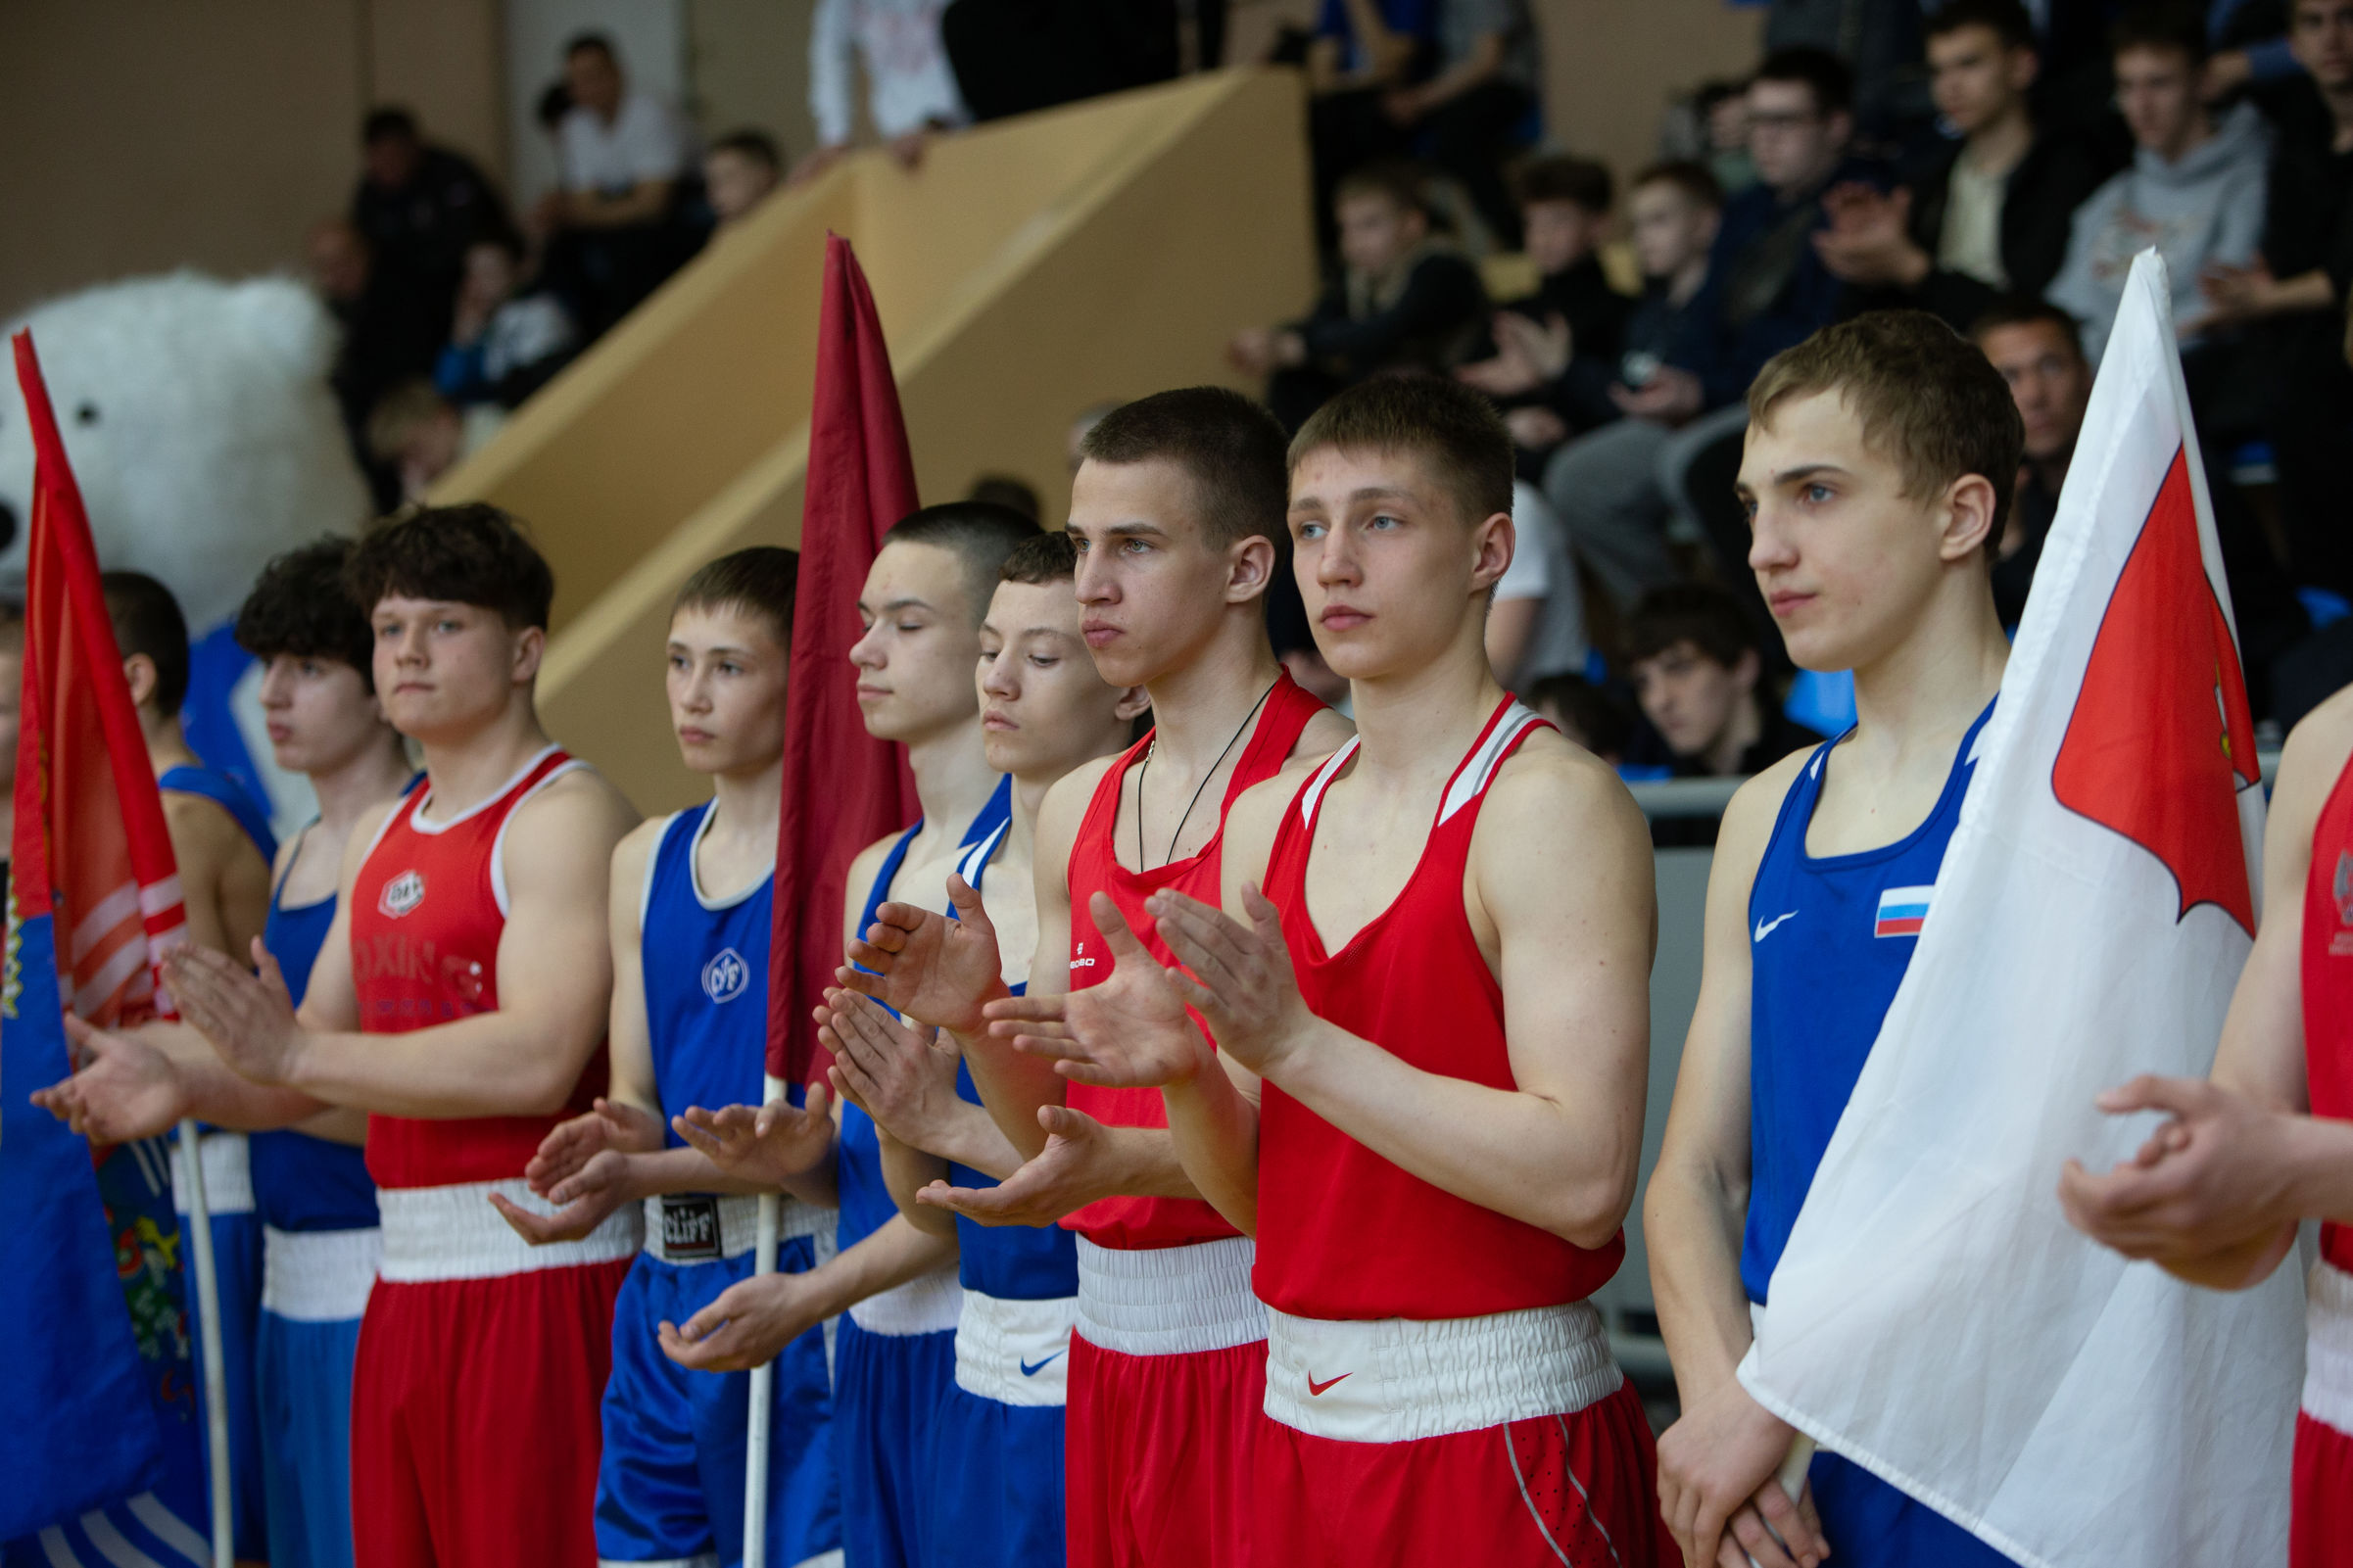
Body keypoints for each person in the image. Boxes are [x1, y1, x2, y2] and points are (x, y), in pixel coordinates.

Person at [979, 373, 1669, 1563]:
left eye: (1380, 521)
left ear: (1487, 550)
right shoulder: (1271, 818)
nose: (1334, 563)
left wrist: (1297, 1045)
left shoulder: (1549, 804)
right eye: (1309, 526)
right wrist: (1190, 1075)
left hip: (1494, 1416)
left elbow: (1582, 1176)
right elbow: (1265, 1200)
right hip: (1296, 1414)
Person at [841, 387, 1352, 1567]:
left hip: (1262, 1331)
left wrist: (1103, 1150)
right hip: (1103, 1342)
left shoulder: (1322, 772)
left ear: (1245, 568)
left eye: (1134, 546)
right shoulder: (1079, 803)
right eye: (1081, 547)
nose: (1092, 586)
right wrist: (979, 1020)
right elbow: (1052, 1136)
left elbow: (1307, 1143)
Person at [79, 506, 644, 1568]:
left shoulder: (564, 813)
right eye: (389, 629)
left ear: (525, 651)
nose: (408, 652)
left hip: (539, 1268)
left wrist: (286, 1057)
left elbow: (536, 1057)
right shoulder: (385, 829)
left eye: (444, 625)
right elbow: (303, 1065)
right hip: (405, 1278)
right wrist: (180, 1081)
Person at [1646, 310, 2024, 1568]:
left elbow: (2043, 1170)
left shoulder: (2071, 784)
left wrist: (1770, 1399)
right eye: (1752, 504)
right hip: (1792, 1454)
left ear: (1958, 515)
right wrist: (1724, 1411)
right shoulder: (1764, 810)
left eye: (1813, 493)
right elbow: (1693, 1173)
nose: (1764, 546)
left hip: (2009, 1436)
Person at [662, 503, 1041, 1568]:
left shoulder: (1021, 868)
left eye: (905, 624)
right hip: (870, 1333)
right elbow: (885, 1158)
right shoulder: (875, 867)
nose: (861, 650)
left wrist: (807, 1291)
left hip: (978, 1329)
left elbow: (987, 1175)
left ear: (993, 648)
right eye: (865, 620)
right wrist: (801, 1162)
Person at [495, 547, 842, 1568]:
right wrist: (609, 1140)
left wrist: (635, 1169)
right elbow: (639, 1097)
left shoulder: (846, 865)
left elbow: (821, 1138)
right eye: (679, 661)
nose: (692, 694)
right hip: (662, 1287)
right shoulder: (642, 857)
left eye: (729, 666)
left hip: (792, 1266)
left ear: (801, 679)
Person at [819, 529, 1148, 1568]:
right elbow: (925, 1205)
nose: (997, 681)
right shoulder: (942, 883)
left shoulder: (1144, 876)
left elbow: (1128, 1178)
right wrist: (898, 1113)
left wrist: (947, 1119)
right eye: (988, 649)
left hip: (1112, 1334)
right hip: (981, 1346)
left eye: (1040, 656)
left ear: (1125, 683)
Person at [2054, 692, 2353, 1566]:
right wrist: (2183, 1202)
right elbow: (2253, 1154)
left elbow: (2285, 1161)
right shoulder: (2327, 746)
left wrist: (2292, 1169)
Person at [1539, 51, 1879, 622]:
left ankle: (1771, 633)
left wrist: (1705, 392)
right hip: (1719, 396)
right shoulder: (1744, 210)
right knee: (1579, 479)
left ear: (1836, 125)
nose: (1765, 139)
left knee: (1689, 462)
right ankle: (1683, 630)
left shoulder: (1860, 202)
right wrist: (1685, 384)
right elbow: (1705, 319)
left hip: (1805, 400)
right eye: (1756, 122)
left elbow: (1823, 345)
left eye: (1784, 122)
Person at [232, 542, 414, 1568]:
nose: (272, 693)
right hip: (287, 1269)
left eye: (306, 666)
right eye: (268, 665)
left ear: (381, 686)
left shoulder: (409, 841)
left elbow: (395, 1087)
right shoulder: (296, 847)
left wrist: (219, 1084)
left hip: (377, 1254)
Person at [102, 569, 278, 1566]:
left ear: (131, 679)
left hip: (217, 1175)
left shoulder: (177, 817)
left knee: (223, 1490)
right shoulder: (166, 805)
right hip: (187, 1169)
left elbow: (220, 1035)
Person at [1970, 297, 2307, 704]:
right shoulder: (2021, 485)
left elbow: (2093, 630)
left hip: (2245, 690)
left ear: (2088, 375)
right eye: (2009, 376)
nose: (2034, 395)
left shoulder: (2158, 467)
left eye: (2051, 366)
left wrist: (2015, 547)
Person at [1814, 0, 2115, 334]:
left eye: (1969, 64)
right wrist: (1872, 253)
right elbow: (1873, 322)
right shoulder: (1929, 175)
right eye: (1938, 71)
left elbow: (2037, 317)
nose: (1950, 86)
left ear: (2022, 66)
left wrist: (1911, 266)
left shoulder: (2070, 169)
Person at [2204, 0, 2353, 595]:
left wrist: (2264, 300)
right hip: (2296, 341)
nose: (2333, 37)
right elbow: (2288, 255)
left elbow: (2341, 277)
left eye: (2347, 17)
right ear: (2292, 42)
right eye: (2313, 22)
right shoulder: (2300, 130)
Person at [2044, 3, 2270, 361]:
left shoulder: (2252, 180)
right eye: (2127, 86)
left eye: (2159, 84)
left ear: (2203, 82)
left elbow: (2217, 313)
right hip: (2088, 378)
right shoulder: (2112, 193)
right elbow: (2060, 312)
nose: (2140, 106)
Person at [1234, 162, 1488, 432]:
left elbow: (1388, 330)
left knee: (1395, 373)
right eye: (1346, 228)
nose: (1355, 241)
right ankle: (1288, 453)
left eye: (1370, 225)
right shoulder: (1360, 276)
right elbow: (1320, 323)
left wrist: (1303, 346)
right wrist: (1276, 340)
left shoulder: (1442, 268)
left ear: (1412, 224)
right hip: (1389, 396)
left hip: (1456, 397)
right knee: (1293, 376)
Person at [1456, 155, 1634, 458]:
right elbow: (1458, 399)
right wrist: (1506, 422)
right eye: (1532, 223)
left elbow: (1623, 402)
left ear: (1597, 225)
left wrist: (1550, 378)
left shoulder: (1623, 312)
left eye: (1557, 221)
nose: (1541, 236)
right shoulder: (1511, 313)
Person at [540, 32, 700, 335]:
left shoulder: (650, 111)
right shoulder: (575, 125)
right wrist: (589, 213)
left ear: (617, 72)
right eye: (577, 80)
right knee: (560, 249)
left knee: (637, 248)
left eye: (595, 76)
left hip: (681, 205)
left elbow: (655, 203)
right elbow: (582, 205)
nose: (588, 87)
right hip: (622, 209)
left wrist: (591, 213)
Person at [350, 107, 511, 358]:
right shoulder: (369, 194)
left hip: (462, 280)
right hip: (405, 295)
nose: (388, 165)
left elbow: (487, 232)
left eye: (395, 155)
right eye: (379, 158)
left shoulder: (452, 173)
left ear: (413, 146)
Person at [1623, 582, 1824, 779]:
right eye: (1642, 682)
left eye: (1679, 669)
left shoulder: (1819, 768)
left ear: (1743, 667)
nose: (1658, 701)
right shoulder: (1659, 786)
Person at [795, 0, 968, 186]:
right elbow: (830, 54)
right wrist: (834, 138)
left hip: (968, 126)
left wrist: (939, 122)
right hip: (900, 145)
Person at [433, 234, 577, 412]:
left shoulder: (543, 309)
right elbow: (447, 391)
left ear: (517, 269)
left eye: (489, 272)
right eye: (472, 275)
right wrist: (461, 340)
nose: (479, 284)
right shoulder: (480, 337)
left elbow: (547, 379)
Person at [366, 379, 477, 503]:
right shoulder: (432, 483)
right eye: (402, 464)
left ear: (443, 419)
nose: (415, 470)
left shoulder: (488, 436)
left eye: (416, 449)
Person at [704, 128, 784, 226]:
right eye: (712, 183)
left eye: (728, 178)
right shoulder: (726, 232)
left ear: (765, 175)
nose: (714, 195)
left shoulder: (791, 212)